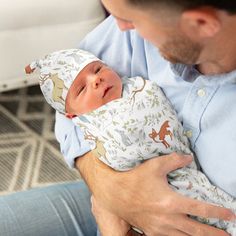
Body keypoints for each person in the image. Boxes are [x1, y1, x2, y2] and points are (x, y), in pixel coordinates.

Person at [0, 1, 236, 236]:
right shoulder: (142, 19)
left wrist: (112, 229)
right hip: (105, 205)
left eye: (131, 19)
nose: (119, 26)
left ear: (201, 24)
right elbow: (67, 103)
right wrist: (110, 189)